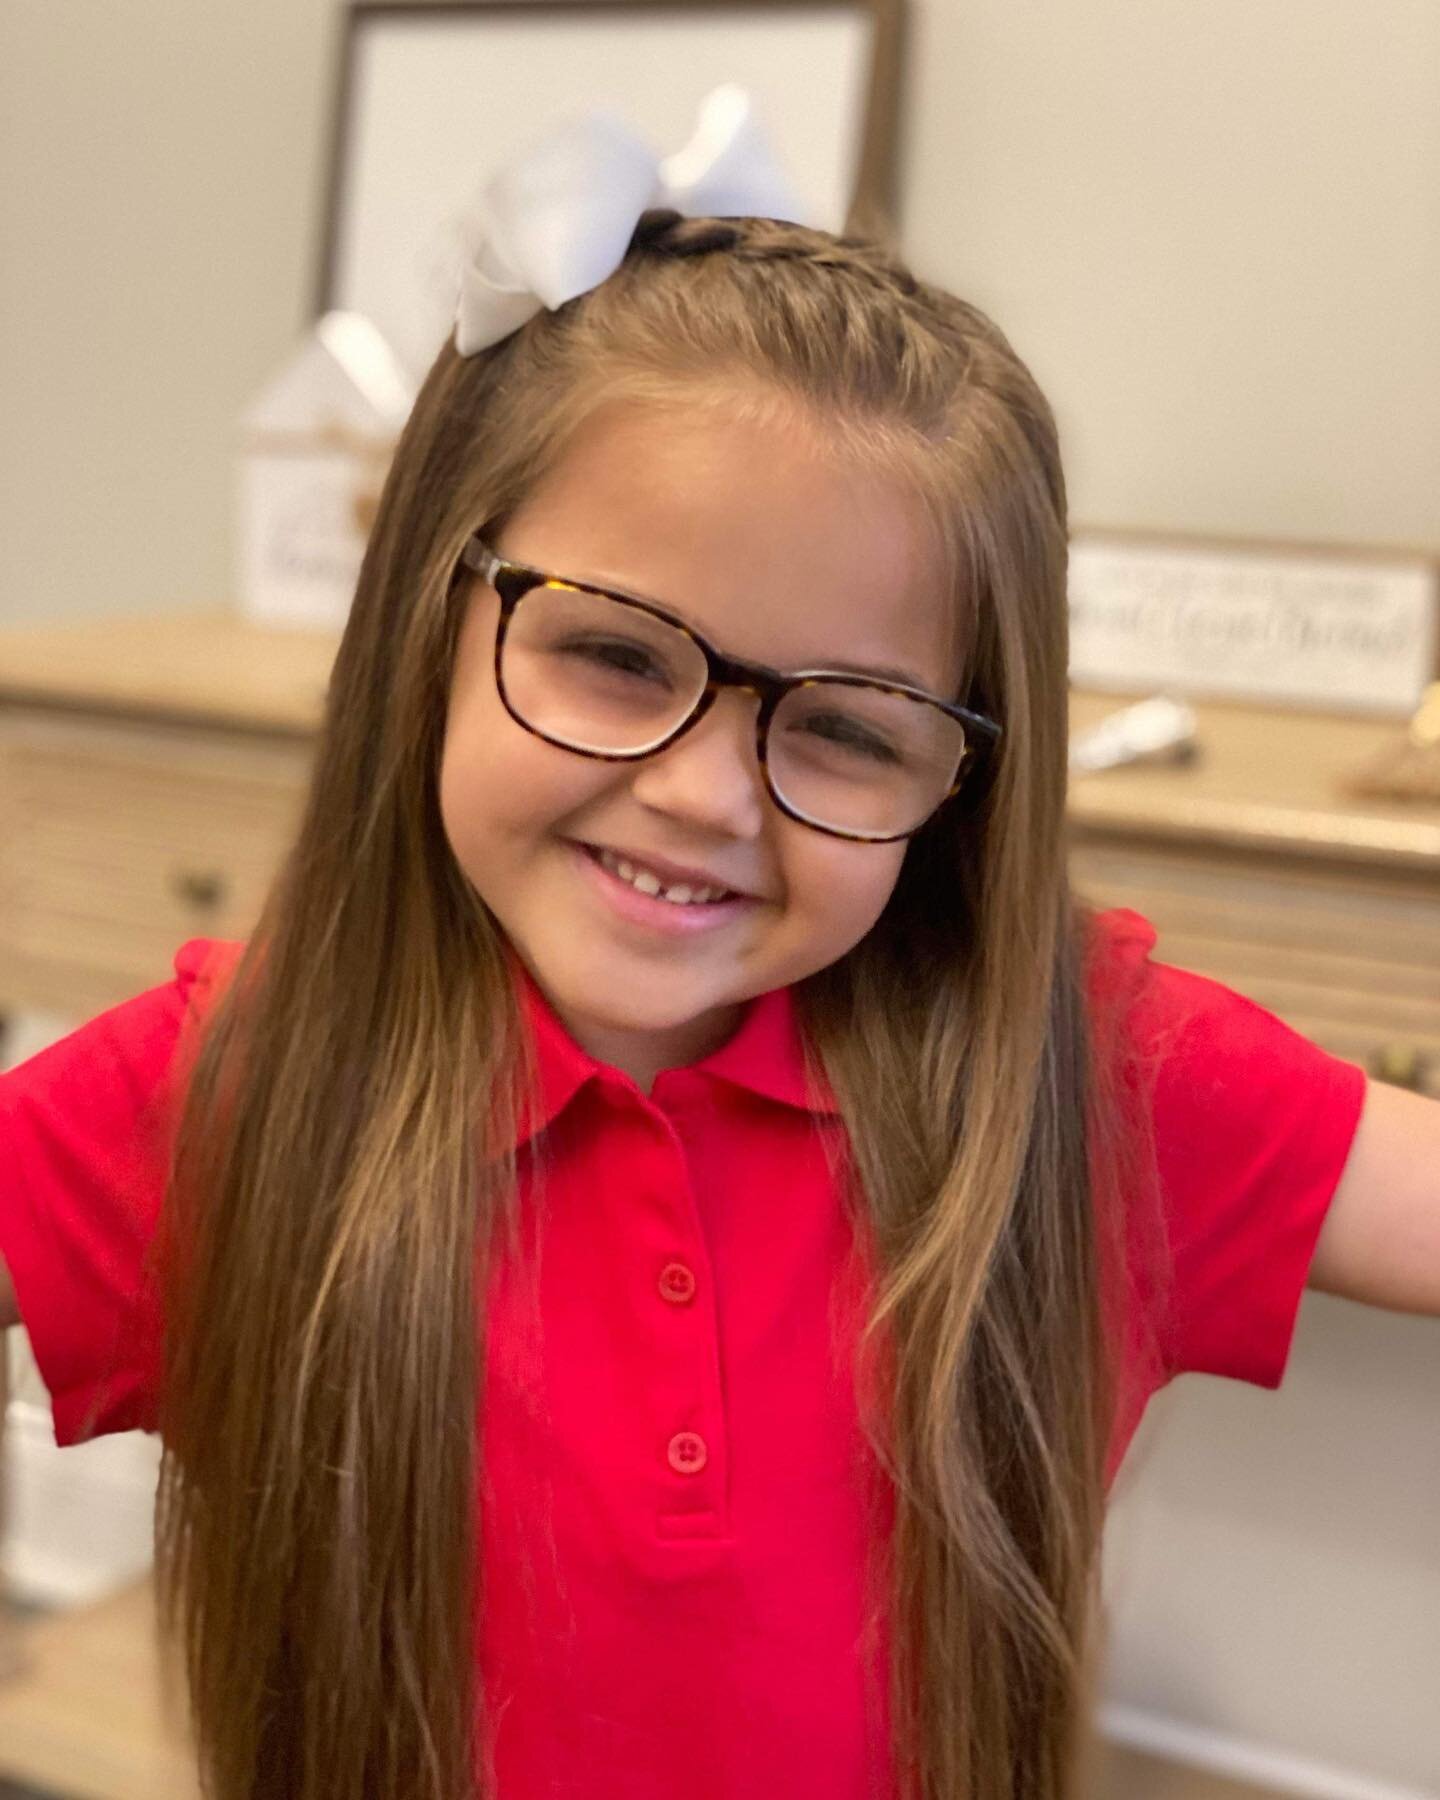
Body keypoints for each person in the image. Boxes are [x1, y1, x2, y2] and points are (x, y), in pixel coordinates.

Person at [0, 93, 1436, 1800]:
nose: (700, 795)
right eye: (614, 654)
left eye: (847, 727)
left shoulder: (1080, 1077)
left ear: (960, 785)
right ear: (426, 618)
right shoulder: (225, 1091)